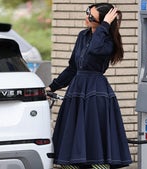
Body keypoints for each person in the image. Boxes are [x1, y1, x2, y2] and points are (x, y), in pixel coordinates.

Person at [46, 3, 132, 169]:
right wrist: (51, 87)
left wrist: (105, 25)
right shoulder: (82, 36)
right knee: (74, 138)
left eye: (91, 17)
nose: (86, 18)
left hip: (96, 93)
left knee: (93, 138)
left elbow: (94, 49)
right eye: (87, 13)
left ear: (102, 22)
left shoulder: (107, 41)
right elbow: (73, 67)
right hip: (77, 92)